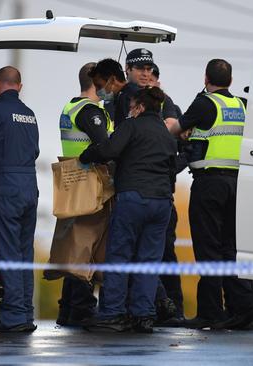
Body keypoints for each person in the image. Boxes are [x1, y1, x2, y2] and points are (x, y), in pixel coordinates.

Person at [168, 59, 253, 330]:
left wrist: (184, 133)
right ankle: (246, 304)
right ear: (231, 81)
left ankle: (211, 312)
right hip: (238, 184)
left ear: (205, 78)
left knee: (208, 248)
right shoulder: (242, 106)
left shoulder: (205, 103)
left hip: (209, 184)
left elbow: (176, 129)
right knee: (230, 249)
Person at [80, 87, 177, 333]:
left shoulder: (131, 126)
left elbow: (109, 150)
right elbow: (172, 168)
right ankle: (143, 316)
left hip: (134, 199)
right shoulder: (166, 135)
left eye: (133, 105)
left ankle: (113, 313)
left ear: (141, 107)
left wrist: (87, 155)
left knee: (120, 256)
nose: (130, 109)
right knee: (149, 261)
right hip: (162, 202)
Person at [0, 66, 39, 333]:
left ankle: (13, 317)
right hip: (29, 186)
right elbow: (35, 150)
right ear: (20, 86)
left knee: (8, 252)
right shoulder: (30, 115)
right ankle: (25, 313)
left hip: (4, 185)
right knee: (25, 253)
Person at [56, 62, 113, 327]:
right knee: (86, 246)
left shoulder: (70, 107)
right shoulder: (90, 111)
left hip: (72, 180)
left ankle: (68, 308)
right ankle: (81, 307)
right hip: (91, 183)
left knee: (74, 244)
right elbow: (104, 145)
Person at [148, 64, 186, 326]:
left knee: (165, 255)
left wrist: (168, 169)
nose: (148, 79)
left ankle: (173, 310)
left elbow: (189, 149)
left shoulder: (170, 106)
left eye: (152, 76)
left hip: (162, 195)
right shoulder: (123, 101)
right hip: (136, 193)